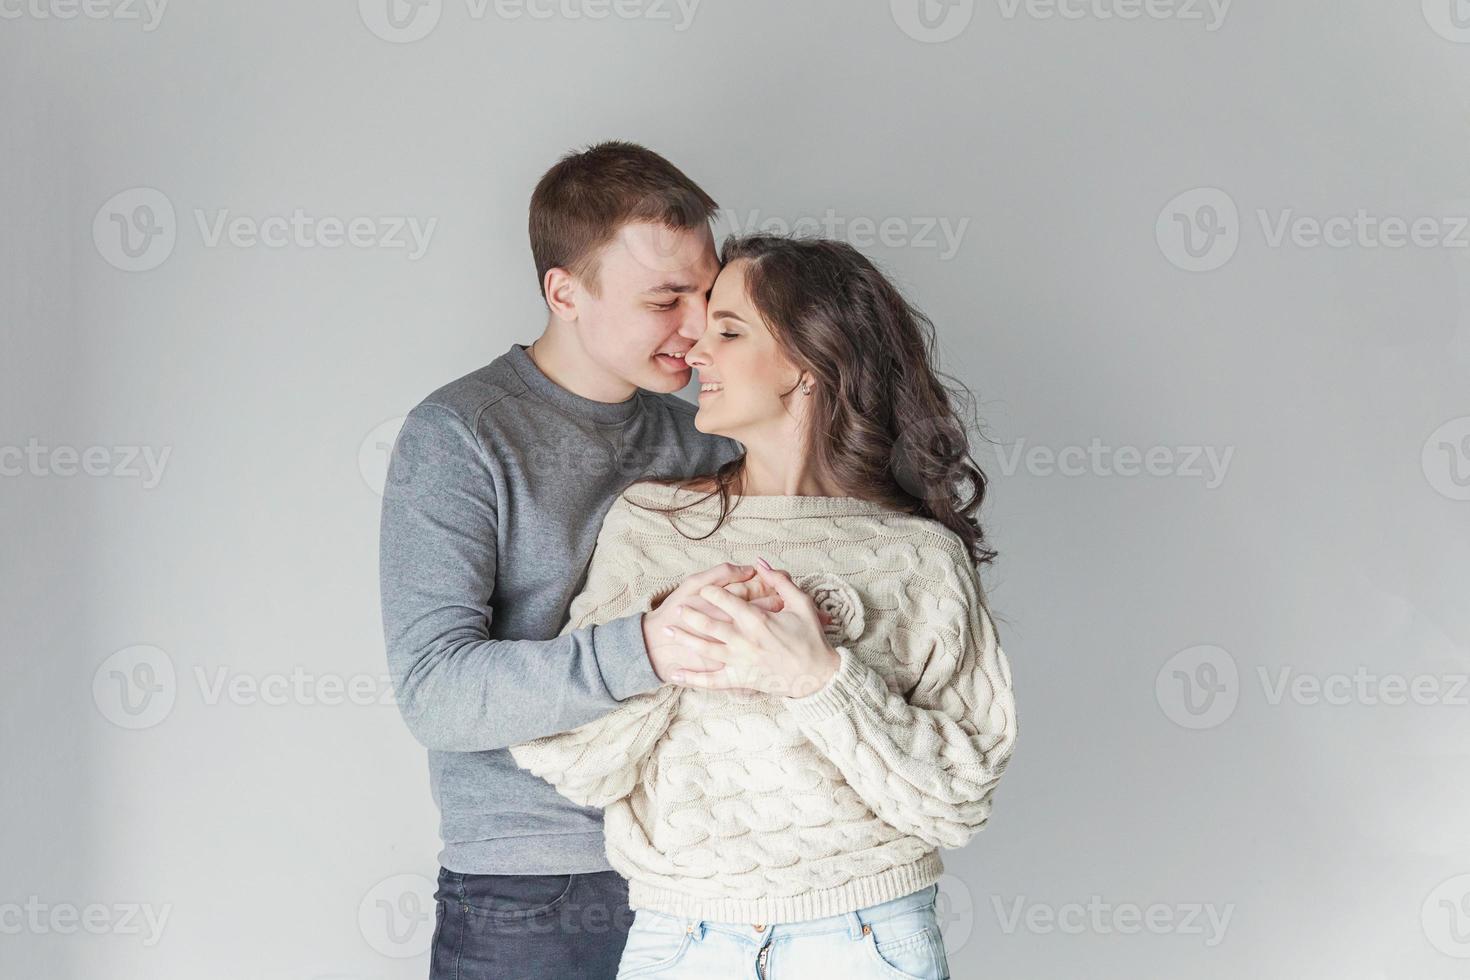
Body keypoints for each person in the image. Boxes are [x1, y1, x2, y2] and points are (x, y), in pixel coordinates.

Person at [510, 234, 1019, 979]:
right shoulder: (648, 528)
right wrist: (670, 641)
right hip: (680, 943)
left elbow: (957, 801)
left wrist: (819, 679)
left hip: (864, 943)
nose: (695, 350)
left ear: (808, 366)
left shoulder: (917, 558)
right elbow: (571, 763)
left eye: (728, 329)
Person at [379, 141, 788, 980]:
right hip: (531, 891)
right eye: (665, 298)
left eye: (706, 296)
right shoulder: (460, 435)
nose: (694, 328)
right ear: (564, 292)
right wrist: (645, 648)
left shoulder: (700, 434)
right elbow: (436, 694)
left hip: (705, 872)